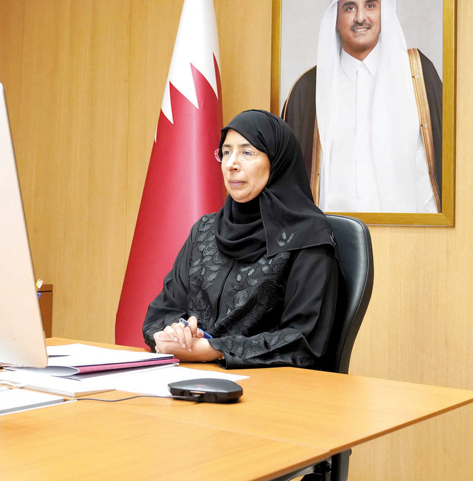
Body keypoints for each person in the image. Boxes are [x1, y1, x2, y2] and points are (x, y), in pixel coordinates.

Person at [142, 110, 340, 369]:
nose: (231, 163)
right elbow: (161, 312)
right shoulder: (205, 230)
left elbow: (303, 340)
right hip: (190, 376)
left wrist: (212, 349)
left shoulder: (308, 237)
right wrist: (176, 334)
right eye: (225, 152)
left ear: (277, 161)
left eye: (247, 152)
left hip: (271, 390)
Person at [282, 0, 442, 214]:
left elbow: (437, 165)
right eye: (349, 8)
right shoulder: (309, 87)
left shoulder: (417, 73)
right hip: (331, 239)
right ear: (335, 19)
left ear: (384, 12)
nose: (360, 18)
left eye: (370, 5)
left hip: (411, 232)